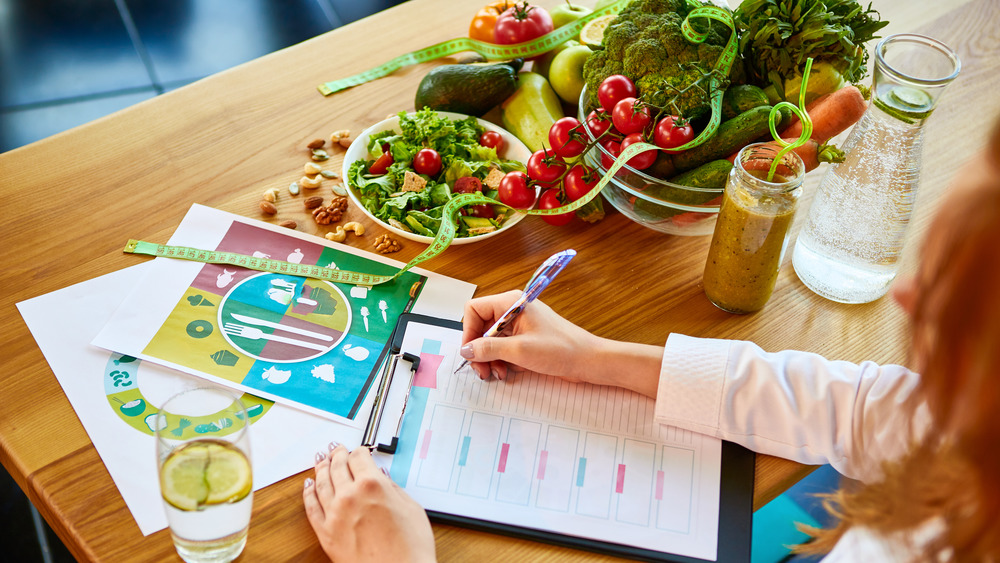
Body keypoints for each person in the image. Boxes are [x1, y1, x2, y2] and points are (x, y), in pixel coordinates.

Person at [302, 119, 1000, 561]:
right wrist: (597, 357)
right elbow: (862, 409)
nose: (904, 294)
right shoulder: (965, 423)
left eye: (955, 297)